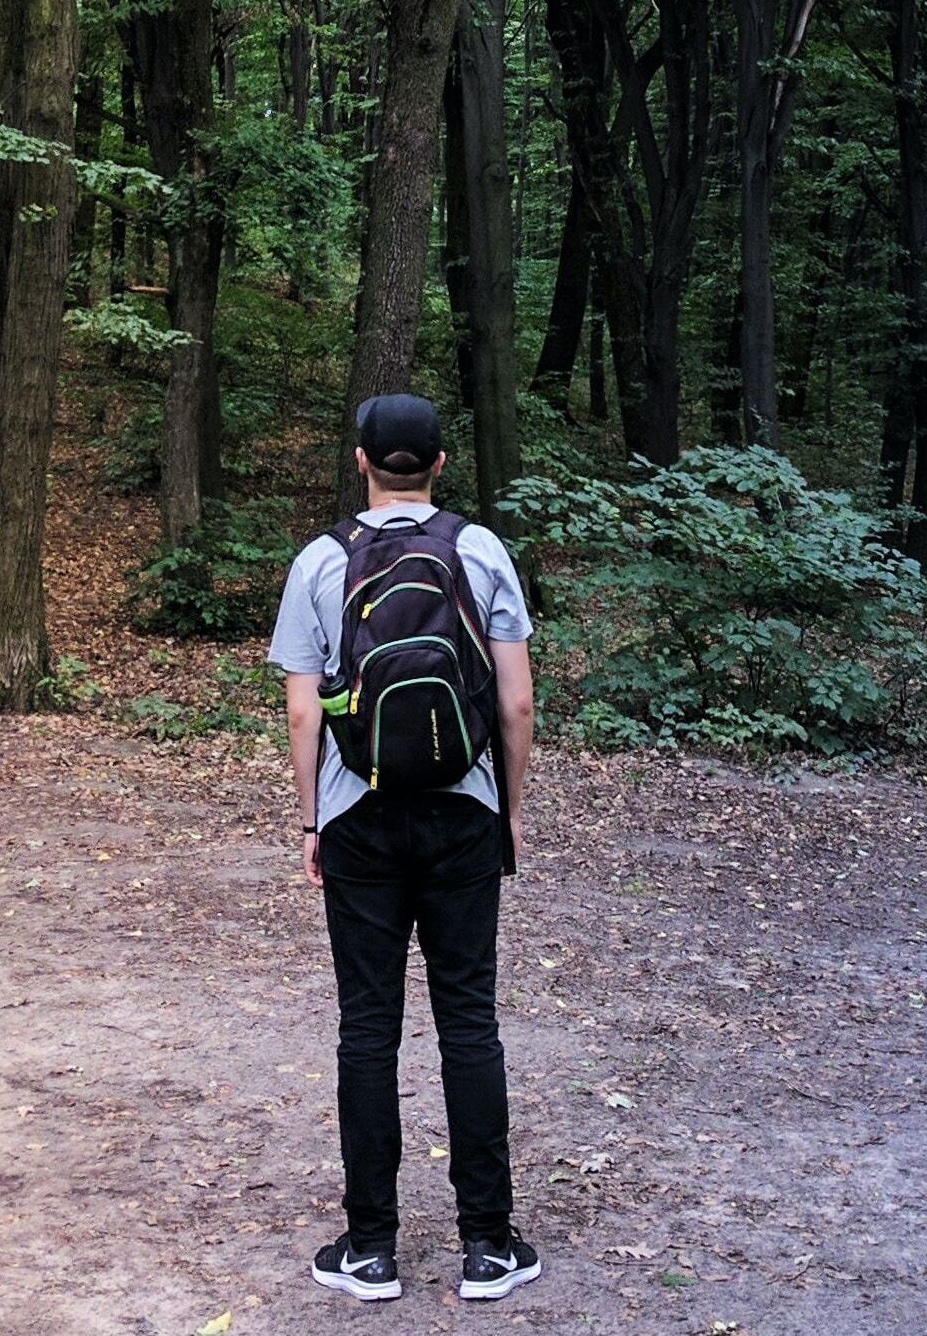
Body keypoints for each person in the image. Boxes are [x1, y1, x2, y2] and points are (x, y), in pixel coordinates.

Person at [269, 392, 542, 1304]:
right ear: (437, 462)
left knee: (367, 1026)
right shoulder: (481, 550)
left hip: (360, 815)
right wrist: (506, 807)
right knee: (469, 1020)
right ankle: (490, 1246)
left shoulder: (320, 560)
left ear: (360, 461)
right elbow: (515, 704)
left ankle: (371, 1248)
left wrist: (313, 819)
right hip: (463, 809)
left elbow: (305, 708)